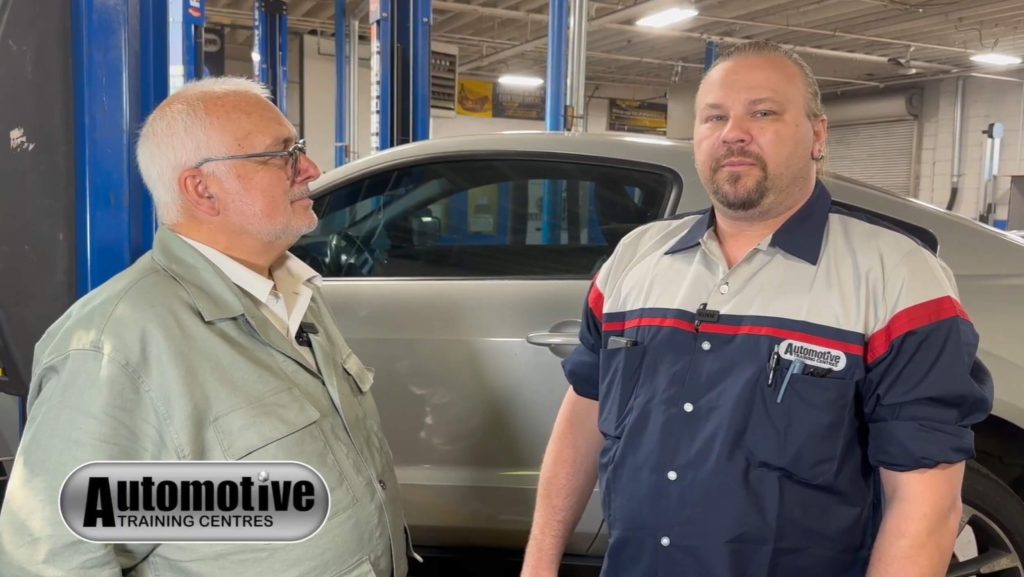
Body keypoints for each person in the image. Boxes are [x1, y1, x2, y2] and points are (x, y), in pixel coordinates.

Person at [521, 41, 993, 577]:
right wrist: (538, 564)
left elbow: (925, 503)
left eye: (762, 112)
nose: (734, 132)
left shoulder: (898, 279)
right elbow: (585, 413)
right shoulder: (635, 258)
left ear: (817, 136)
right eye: (714, 117)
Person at [0, 77, 409, 576]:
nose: (310, 170)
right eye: (282, 155)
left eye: (298, 150)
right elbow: (53, 560)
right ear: (202, 189)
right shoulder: (114, 348)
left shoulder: (294, 293)